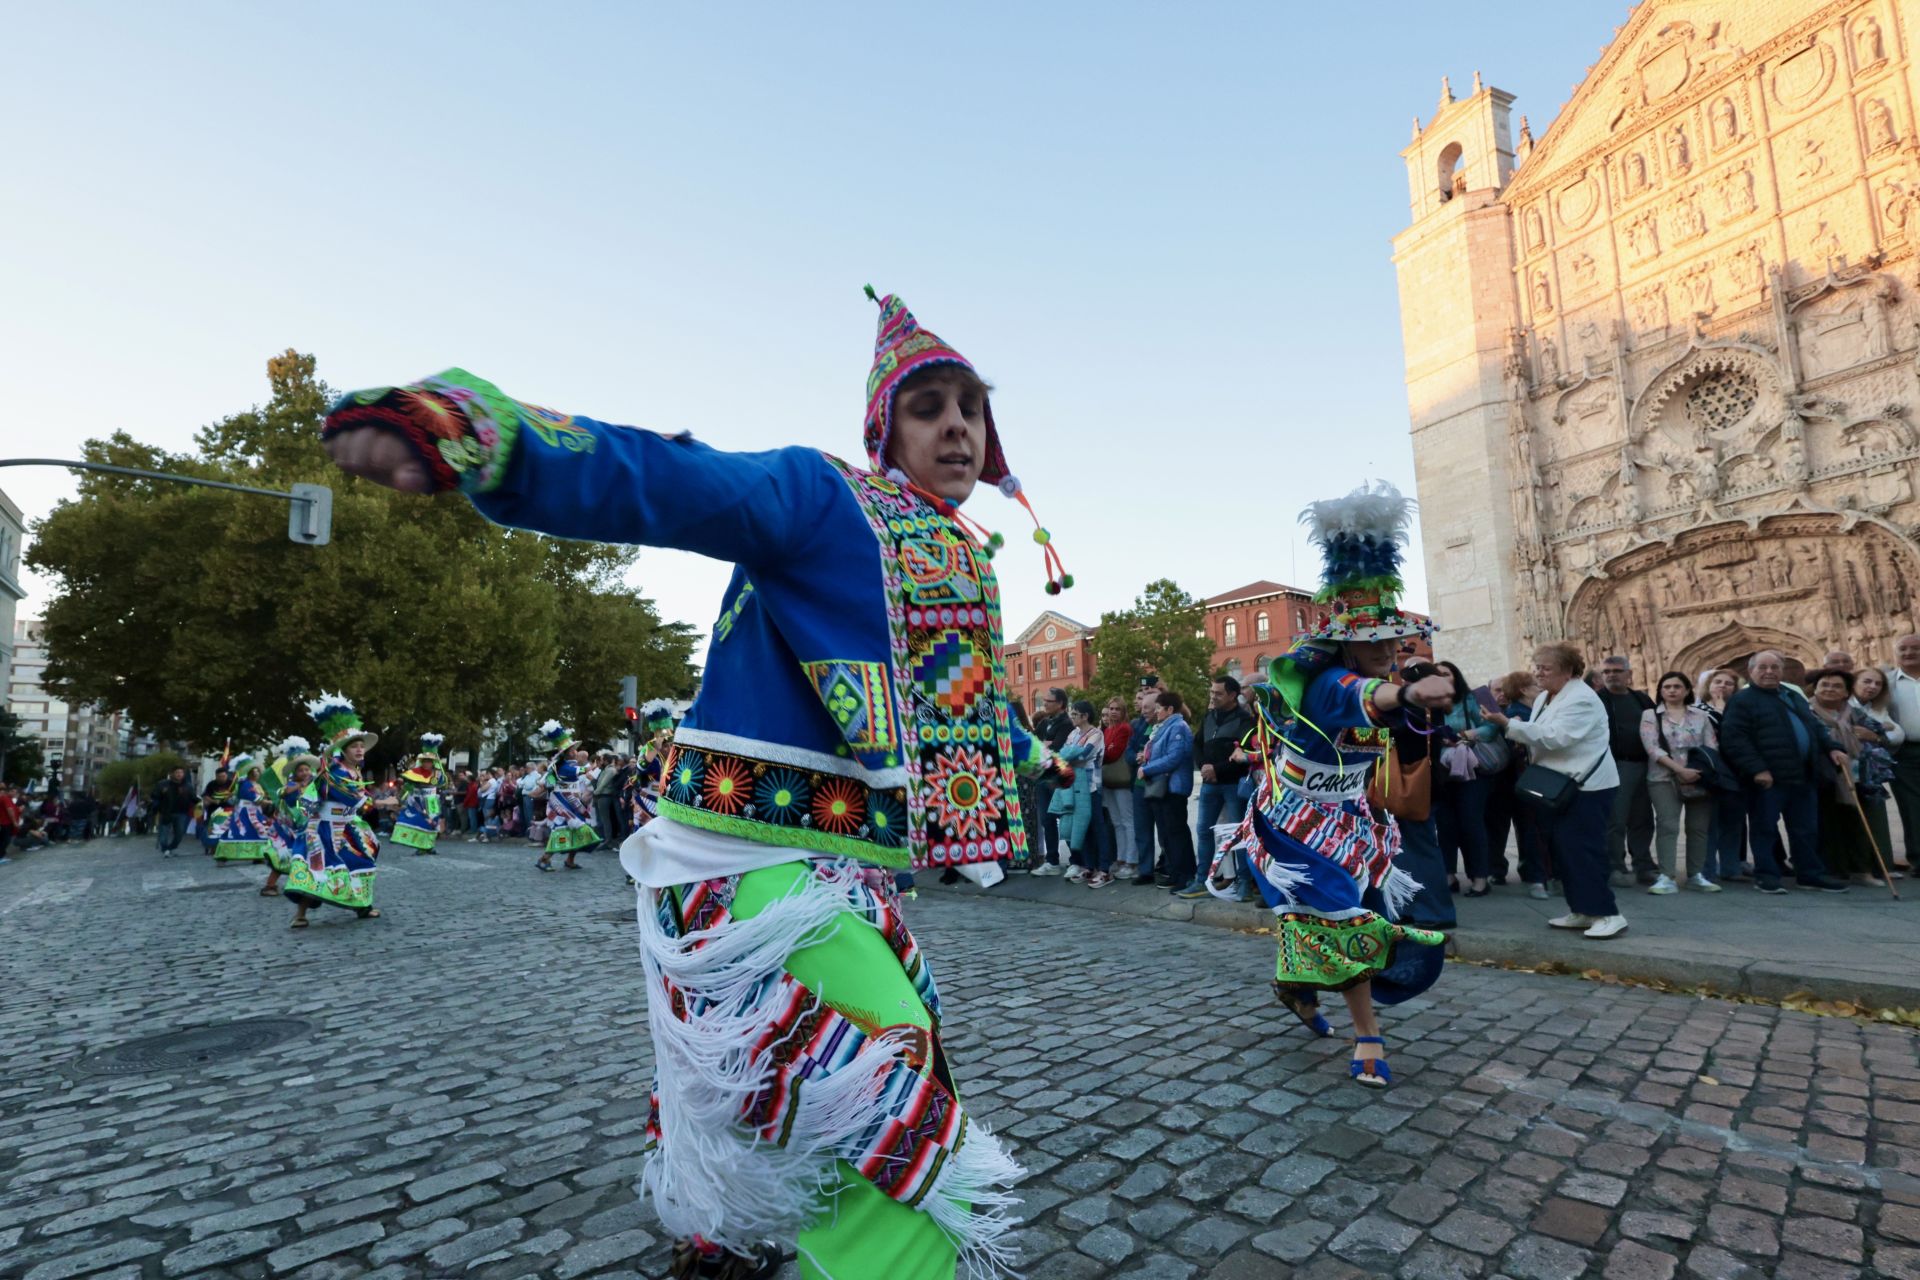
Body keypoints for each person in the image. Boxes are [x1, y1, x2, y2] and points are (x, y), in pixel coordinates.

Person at [321, 288, 1055, 1278]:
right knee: (888, 1114)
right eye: (929, 407)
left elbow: (941, 697)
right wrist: (484, 433)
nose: (958, 425)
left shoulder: (951, 557)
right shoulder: (825, 499)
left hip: (822, 871)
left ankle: (719, 1234)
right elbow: (672, 480)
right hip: (755, 878)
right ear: (885, 428)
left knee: (803, 1077)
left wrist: (1026, 747)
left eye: (972, 405)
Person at [1209, 482, 1450, 1088]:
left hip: (1353, 818)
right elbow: (1361, 697)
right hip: (1296, 824)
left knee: (1344, 914)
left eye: (1394, 641)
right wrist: (1408, 691)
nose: (1388, 650)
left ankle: (1295, 986)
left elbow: (1394, 716)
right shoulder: (1328, 685)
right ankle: (1369, 1034)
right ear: (1345, 642)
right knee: (1344, 916)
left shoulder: (1381, 683)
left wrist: (1414, 701)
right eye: (1374, 641)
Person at [1484, 642, 1626, 937]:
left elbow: (1556, 737)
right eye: (1536, 666)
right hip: (1561, 784)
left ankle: (1607, 914)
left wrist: (1507, 724)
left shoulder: (1582, 699)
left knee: (1585, 849)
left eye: (1545, 668)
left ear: (1568, 671)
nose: (1538, 673)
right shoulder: (1546, 697)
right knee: (1565, 849)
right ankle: (1581, 910)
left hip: (1586, 786)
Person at [1717, 651, 1853, 895]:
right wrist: (1757, 769)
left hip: (1802, 773)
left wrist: (1833, 748)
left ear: (1781, 671)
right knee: (1765, 828)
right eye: (1763, 667)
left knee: (1806, 828)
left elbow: (1814, 726)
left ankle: (1810, 873)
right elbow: (1735, 739)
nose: (1769, 671)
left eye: (1775, 667)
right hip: (1769, 777)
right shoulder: (1743, 700)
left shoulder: (1793, 696)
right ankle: (1767, 875)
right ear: (1751, 672)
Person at [288, 694, 383, 927]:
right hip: (326, 829)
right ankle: (300, 915)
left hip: (347, 826)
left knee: (362, 861)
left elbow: (357, 798)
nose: (360, 750)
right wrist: (379, 803)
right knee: (319, 870)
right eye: (355, 747)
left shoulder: (352, 771)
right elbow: (350, 798)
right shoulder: (335, 772)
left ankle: (362, 907)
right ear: (344, 750)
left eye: (362, 746)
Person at [1639, 672, 1720, 893]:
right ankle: (1667, 876)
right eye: (1667, 687)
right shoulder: (1650, 715)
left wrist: (1697, 771)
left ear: (1686, 690)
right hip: (1663, 777)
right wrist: (1679, 770)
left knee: (1698, 827)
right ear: (1660, 691)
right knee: (1668, 825)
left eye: (1677, 686)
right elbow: (1652, 747)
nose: (1672, 690)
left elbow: (1711, 746)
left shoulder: (1699, 716)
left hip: (1698, 777)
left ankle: (1696, 875)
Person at [1431, 660, 1501, 897]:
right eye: (1436, 675)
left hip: (1472, 770)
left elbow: (1492, 727)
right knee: (1445, 824)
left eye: (1445, 674)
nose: (1441, 678)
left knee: (1471, 822)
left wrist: (1464, 735)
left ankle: (1480, 877)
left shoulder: (1472, 698)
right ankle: (1448, 876)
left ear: (1455, 676)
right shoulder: (1429, 704)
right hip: (1442, 771)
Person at [1807, 668, 1883, 882]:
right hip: (1822, 774)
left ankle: (1861, 870)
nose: (1830, 689)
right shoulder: (1805, 711)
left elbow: (1881, 735)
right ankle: (1834, 869)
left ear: (1846, 692)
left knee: (1857, 822)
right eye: (1825, 685)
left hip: (1855, 775)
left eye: (1837, 686)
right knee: (1827, 823)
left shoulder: (1855, 713)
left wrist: (1873, 736)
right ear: (1816, 689)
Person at [1182, 675, 1253, 900]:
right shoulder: (1209, 716)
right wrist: (1204, 766)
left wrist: (1218, 769)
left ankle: (1244, 883)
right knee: (1203, 831)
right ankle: (1202, 880)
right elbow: (1197, 743)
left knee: (1238, 835)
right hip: (1209, 784)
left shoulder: (1244, 719)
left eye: (1218, 693)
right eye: (1211, 692)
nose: (1213, 696)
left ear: (1233, 695)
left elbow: (1242, 754)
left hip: (1232, 784)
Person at [1596, 656, 1657, 887]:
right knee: (1616, 819)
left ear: (1628, 674)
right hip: (1615, 765)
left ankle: (1644, 865)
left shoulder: (1640, 699)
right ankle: (1615, 866)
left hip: (1644, 764)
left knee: (1642, 818)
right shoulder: (1598, 700)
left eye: (1617, 671)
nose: (1612, 675)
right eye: (1607, 671)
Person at [1138, 689, 1197, 894]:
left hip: (1174, 787)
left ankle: (1186, 875)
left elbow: (1174, 757)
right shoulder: (1163, 727)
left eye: (1159, 709)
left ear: (1170, 709)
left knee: (1176, 833)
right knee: (1167, 833)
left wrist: (1147, 768)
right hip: (1163, 787)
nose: (1156, 713)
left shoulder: (1178, 727)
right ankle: (1175, 872)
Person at [1695, 669, 1748, 882]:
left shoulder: (1741, 709)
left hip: (1737, 770)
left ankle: (1731, 867)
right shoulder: (1697, 710)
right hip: (1712, 770)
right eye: (1717, 682)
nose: (1722, 686)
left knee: (1733, 821)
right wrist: (1719, 711)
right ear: (1708, 685)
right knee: (1710, 822)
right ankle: (1707, 869)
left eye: (1728, 683)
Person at [1851, 665, 1904, 878]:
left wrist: (1876, 736)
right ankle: (1859, 867)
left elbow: (1897, 733)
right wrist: (1880, 731)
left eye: (1877, 683)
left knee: (1877, 816)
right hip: (1848, 767)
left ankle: (1882, 865)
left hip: (1871, 770)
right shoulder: (1845, 705)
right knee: (1854, 818)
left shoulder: (1877, 708)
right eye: (1867, 681)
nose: (1872, 687)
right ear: (1854, 683)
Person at [1051, 701, 1109, 886]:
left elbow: (1083, 755)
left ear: (1085, 716)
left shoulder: (1096, 734)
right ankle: (1088, 865)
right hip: (1075, 786)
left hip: (1091, 786)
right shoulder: (1073, 733)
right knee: (1081, 827)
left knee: (1097, 827)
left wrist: (1069, 755)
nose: (1072, 717)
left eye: (1075, 714)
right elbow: (1062, 755)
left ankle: (1104, 868)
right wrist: (1068, 756)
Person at [533, 722, 597, 871]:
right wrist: (591, 767)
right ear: (566, 753)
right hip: (562, 804)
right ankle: (544, 859)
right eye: (572, 749)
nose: (575, 751)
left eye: (574, 749)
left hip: (573, 803)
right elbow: (580, 770)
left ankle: (570, 860)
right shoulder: (563, 766)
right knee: (560, 832)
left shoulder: (567, 764)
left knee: (578, 831)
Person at [263, 740, 322, 898]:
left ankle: (306, 883)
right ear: (295, 773)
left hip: (305, 827)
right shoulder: (290, 785)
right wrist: (298, 786)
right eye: (301, 770)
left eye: (307, 769)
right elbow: (284, 793)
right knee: (282, 858)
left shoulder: (312, 785)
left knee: (305, 857)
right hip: (288, 830)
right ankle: (270, 885)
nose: (304, 773)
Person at [1028, 688, 1073, 874]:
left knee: (1066, 819)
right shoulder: (1045, 722)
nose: (1044, 703)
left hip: (1057, 778)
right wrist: (1043, 746)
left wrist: (1044, 746)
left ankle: (1078, 859)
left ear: (1060, 704)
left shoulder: (1066, 723)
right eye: (1044, 700)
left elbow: (1056, 749)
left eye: (1049, 700)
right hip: (1042, 778)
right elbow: (1032, 744)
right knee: (1047, 819)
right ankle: (1052, 860)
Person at [1885, 635, 1920, 871]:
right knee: (1911, 807)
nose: (1909, 653)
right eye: (1903, 649)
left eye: (1915, 648)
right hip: (1905, 752)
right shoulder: (1886, 683)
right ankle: (1919, 858)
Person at [1098, 698, 1137, 880]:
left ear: (1123, 712)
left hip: (1120, 779)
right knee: (1116, 821)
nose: (1113, 712)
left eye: (1117, 709)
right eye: (1111, 708)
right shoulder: (1108, 730)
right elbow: (1105, 751)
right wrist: (1103, 752)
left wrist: (1100, 754)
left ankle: (1131, 860)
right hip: (1109, 780)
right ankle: (1121, 858)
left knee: (1127, 821)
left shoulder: (1124, 728)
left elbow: (1112, 753)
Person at [393, 733, 447, 855]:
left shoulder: (438, 773)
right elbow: (408, 787)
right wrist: (402, 797)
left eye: (429, 761)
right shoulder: (414, 773)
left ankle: (429, 846)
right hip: (418, 801)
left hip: (432, 801)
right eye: (425, 761)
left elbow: (442, 783)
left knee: (432, 824)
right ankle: (420, 846)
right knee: (420, 823)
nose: (427, 763)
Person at [1128, 680, 1161, 883]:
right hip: (1139, 785)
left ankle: (1170, 869)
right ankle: (1146, 870)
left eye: (1148, 707)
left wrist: (1149, 758)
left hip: (1160, 784)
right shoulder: (1137, 724)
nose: (1143, 710)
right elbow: (1128, 750)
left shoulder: (1167, 724)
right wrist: (1136, 757)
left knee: (1166, 832)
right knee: (1142, 829)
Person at [214, 755, 274, 865]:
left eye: (257, 771)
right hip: (245, 812)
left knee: (256, 831)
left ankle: (258, 855)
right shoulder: (245, 783)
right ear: (249, 773)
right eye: (254, 771)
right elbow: (254, 797)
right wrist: (270, 802)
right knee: (240, 830)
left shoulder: (255, 784)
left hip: (255, 811)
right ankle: (224, 856)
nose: (256, 773)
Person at [151, 766, 195, 858]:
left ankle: (170, 848)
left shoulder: (188, 786)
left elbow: (193, 798)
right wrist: (158, 801)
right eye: (177, 772)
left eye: (181, 772)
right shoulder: (163, 784)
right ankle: (165, 849)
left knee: (179, 834)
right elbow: (154, 796)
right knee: (163, 834)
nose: (179, 774)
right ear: (172, 774)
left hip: (181, 813)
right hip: (166, 812)